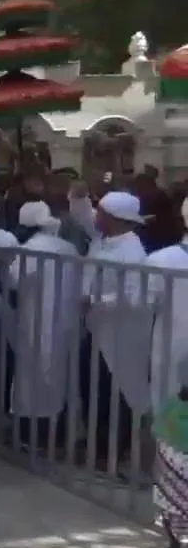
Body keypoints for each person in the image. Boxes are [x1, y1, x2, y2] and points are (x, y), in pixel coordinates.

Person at [68, 184, 153, 461]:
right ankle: (95, 441)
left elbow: (135, 296)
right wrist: (79, 195)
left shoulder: (133, 253)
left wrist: (96, 300)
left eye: (102, 213)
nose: (96, 216)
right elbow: (82, 215)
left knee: (116, 391)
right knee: (92, 387)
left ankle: (112, 450)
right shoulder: (103, 238)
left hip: (121, 334)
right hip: (96, 330)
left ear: (115, 218)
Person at [5, 201, 79, 444]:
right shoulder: (68, 247)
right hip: (66, 320)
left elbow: (14, 281)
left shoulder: (31, 249)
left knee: (32, 380)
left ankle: (33, 437)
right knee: (60, 376)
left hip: (36, 320)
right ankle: (59, 434)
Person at [145, 197, 188, 415]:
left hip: (173, 351)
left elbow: (144, 303)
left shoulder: (161, 260)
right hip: (173, 353)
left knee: (170, 419)